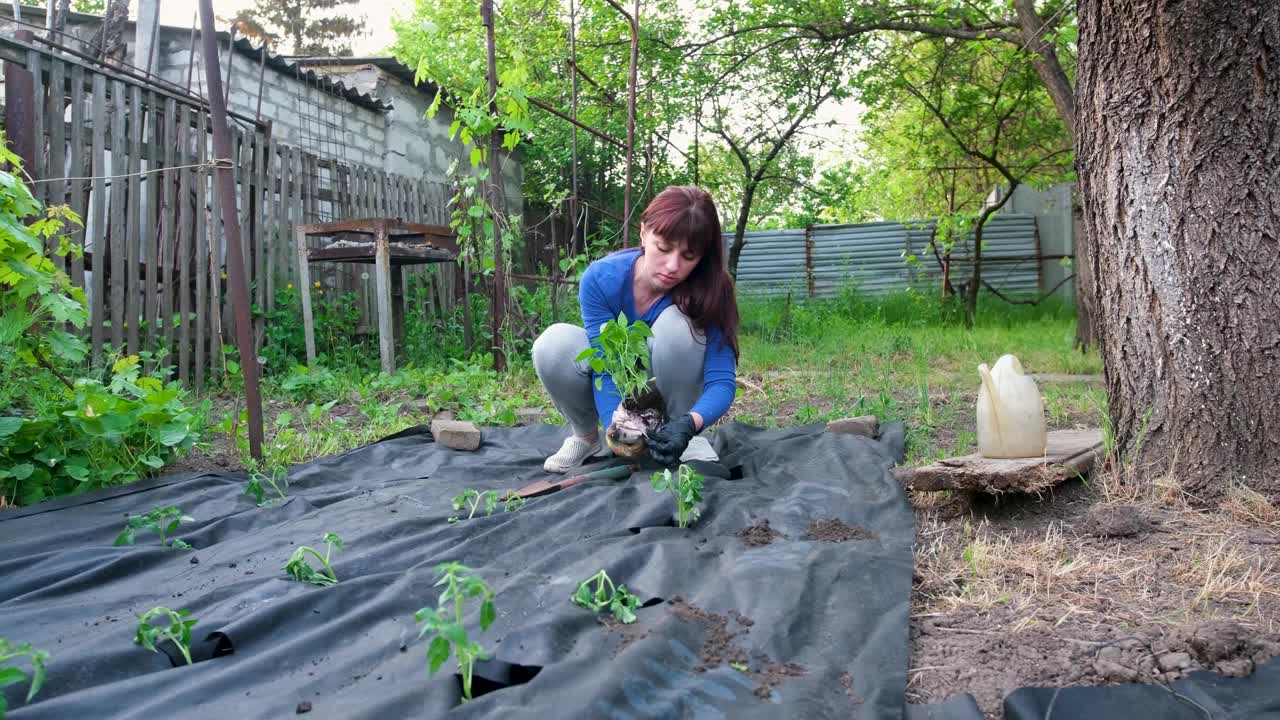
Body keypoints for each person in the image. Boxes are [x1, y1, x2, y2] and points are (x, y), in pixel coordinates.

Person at [532, 186, 740, 473]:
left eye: (689, 256)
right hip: (623, 390)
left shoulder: (712, 291)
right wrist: (615, 426)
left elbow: (722, 381)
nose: (672, 266)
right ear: (644, 232)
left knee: (678, 328)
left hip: (674, 399)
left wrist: (690, 423)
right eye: (664, 248)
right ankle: (587, 438)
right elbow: (605, 365)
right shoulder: (601, 279)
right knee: (552, 345)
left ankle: (682, 438)